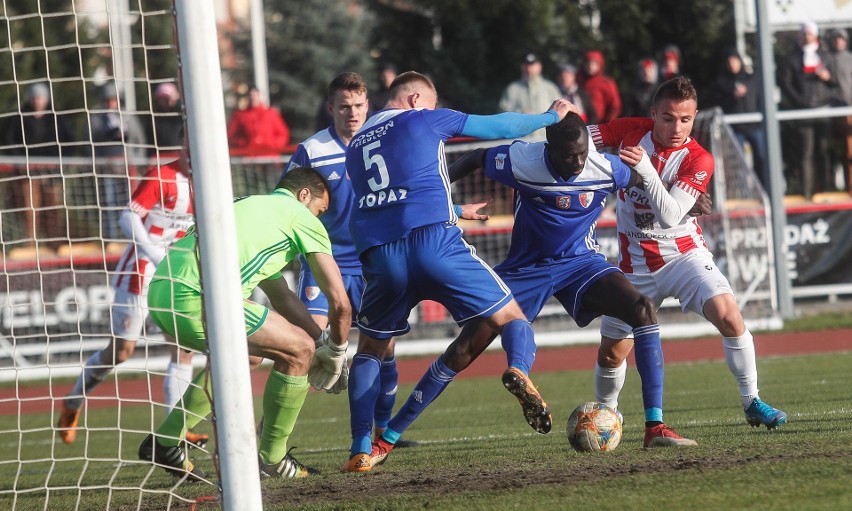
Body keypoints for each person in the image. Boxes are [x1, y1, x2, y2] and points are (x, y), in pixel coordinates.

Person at [340, 71, 572, 472]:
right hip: (433, 243)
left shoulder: (355, 145)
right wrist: (549, 117)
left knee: (369, 350)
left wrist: (456, 209)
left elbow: (393, 195)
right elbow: (498, 125)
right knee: (509, 316)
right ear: (415, 99)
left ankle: (361, 448)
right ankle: (517, 368)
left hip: (380, 256)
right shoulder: (424, 117)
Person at [443, 112, 702, 449]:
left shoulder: (603, 165)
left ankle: (655, 426)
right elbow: (478, 156)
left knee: (642, 308)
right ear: (549, 150)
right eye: (570, 155)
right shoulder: (523, 159)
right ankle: (388, 435)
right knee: (465, 349)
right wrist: (436, 187)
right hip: (526, 270)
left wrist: (679, 199)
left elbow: (637, 182)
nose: (580, 162)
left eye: (584, 152)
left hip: (580, 265)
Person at [588, 76, 788, 431]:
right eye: (668, 118)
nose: (676, 127)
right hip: (633, 263)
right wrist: (566, 125)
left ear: (694, 117)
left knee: (728, 314)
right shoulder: (630, 131)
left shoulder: (698, 159)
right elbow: (583, 137)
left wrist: (646, 173)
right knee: (611, 352)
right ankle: (606, 414)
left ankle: (752, 401)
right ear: (654, 114)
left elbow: (669, 215)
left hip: (683, 256)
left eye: (685, 119)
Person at [138, 166, 352, 480]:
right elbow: (341, 304)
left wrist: (321, 338)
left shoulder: (252, 208)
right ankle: (272, 460)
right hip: (197, 296)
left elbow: (284, 299)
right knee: (299, 351)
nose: (318, 218)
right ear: (304, 195)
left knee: (250, 354)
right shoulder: (300, 217)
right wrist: (335, 352)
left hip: (161, 292)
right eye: (320, 210)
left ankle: (166, 441)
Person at [281, 71, 417, 448]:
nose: (352, 113)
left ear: (367, 105)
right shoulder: (312, 151)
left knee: (385, 348)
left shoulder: (383, 142)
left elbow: (407, 193)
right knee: (306, 345)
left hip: (374, 261)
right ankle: (269, 440)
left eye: (358, 105)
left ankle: (381, 432)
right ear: (331, 109)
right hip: (325, 262)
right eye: (344, 106)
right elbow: (287, 201)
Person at [56, 144, 207, 448]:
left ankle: (173, 431)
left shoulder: (208, 182)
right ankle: (72, 403)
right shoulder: (162, 176)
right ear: (183, 145)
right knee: (122, 351)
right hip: (139, 270)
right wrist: (153, 253)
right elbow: (128, 216)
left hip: (175, 273)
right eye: (190, 143)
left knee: (182, 347)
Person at [83, 82, 148, 240]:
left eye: (114, 99)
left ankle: (133, 236)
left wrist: (137, 160)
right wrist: (97, 162)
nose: (111, 103)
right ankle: (111, 238)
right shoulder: (96, 119)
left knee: (132, 204)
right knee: (109, 203)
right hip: (107, 168)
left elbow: (140, 140)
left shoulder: (128, 118)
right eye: (108, 100)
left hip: (129, 168)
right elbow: (88, 142)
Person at [778, 21, 835, 199]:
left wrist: (828, 78)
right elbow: (785, 82)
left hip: (824, 109)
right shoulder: (792, 58)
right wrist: (800, 101)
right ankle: (807, 193)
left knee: (824, 151)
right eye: (805, 34)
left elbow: (836, 82)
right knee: (806, 153)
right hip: (802, 112)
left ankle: (826, 190)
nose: (807, 37)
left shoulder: (826, 56)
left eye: (810, 34)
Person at [707, 48, 767, 186]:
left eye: (734, 60)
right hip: (734, 129)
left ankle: (764, 188)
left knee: (762, 158)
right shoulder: (721, 82)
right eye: (729, 61)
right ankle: (742, 189)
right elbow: (716, 103)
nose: (732, 64)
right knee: (738, 162)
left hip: (755, 126)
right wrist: (731, 96)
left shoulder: (752, 79)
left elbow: (760, 99)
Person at [499, 53, 562, 140]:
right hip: (519, 142)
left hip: (545, 140)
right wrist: (521, 114)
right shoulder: (512, 89)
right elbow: (503, 113)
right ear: (522, 67)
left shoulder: (550, 88)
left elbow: (560, 112)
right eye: (526, 65)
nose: (529, 69)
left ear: (539, 67)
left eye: (532, 65)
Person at [1, 82, 73, 157]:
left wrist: (62, 157)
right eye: (33, 98)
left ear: (46, 99)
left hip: (52, 162)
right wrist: (17, 157)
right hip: (23, 162)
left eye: (39, 98)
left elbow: (69, 140)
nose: (36, 101)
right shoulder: (18, 117)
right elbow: (7, 137)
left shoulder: (56, 118)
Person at [227, 85, 291, 156]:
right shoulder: (240, 115)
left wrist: (271, 145)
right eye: (251, 96)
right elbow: (231, 136)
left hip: (269, 157)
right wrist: (244, 144)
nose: (253, 98)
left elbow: (283, 134)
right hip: (249, 158)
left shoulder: (271, 114)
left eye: (255, 95)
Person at [827, 28, 852, 191]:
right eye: (836, 38)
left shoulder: (850, 58)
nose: (838, 41)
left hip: (848, 109)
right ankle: (826, 187)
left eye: (841, 38)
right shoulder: (825, 58)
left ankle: (850, 186)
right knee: (828, 150)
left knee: (850, 150)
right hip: (828, 109)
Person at [578, 50, 622, 123]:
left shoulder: (606, 83)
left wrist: (607, 122)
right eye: (588, 63)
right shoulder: (577, 80)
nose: (590, 66)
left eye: (594, 64)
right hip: (580, 122)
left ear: (600, 65)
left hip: (600, 124)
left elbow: (615, 106)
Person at [147, 82, 184, 160]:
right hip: (160, 157)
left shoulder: (182, 116)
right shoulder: (154, 118)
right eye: (161, 98)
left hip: (180, 156)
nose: (164, 101)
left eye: (167, 98)